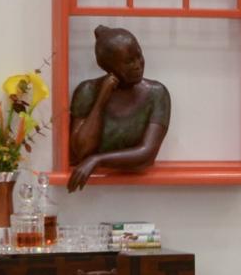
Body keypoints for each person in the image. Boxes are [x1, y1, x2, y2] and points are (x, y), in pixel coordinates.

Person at [66, 24, 171, 190]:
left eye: (139, 56)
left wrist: (97, 159)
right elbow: (82, 150)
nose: (138, 65)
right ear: (108, 66)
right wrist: (101, 99)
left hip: (139, 188)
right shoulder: (87, 91)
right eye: (129, 61)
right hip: (94, 191)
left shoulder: (156, 94)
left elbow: (147, 154)